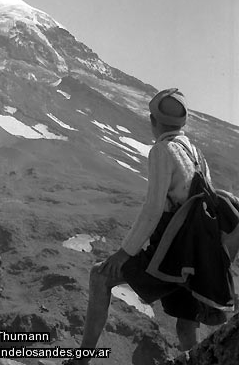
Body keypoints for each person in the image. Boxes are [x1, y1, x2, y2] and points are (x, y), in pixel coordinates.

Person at [63, 88, 213, 365]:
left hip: (172, 254)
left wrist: (124, 253)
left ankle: (81, 360)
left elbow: (153, 209)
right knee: (186, 327)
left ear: (153, 120)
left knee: (100, 276)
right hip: (198, 254)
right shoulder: (195, 152)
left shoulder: (162, 150)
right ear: (183, 121)